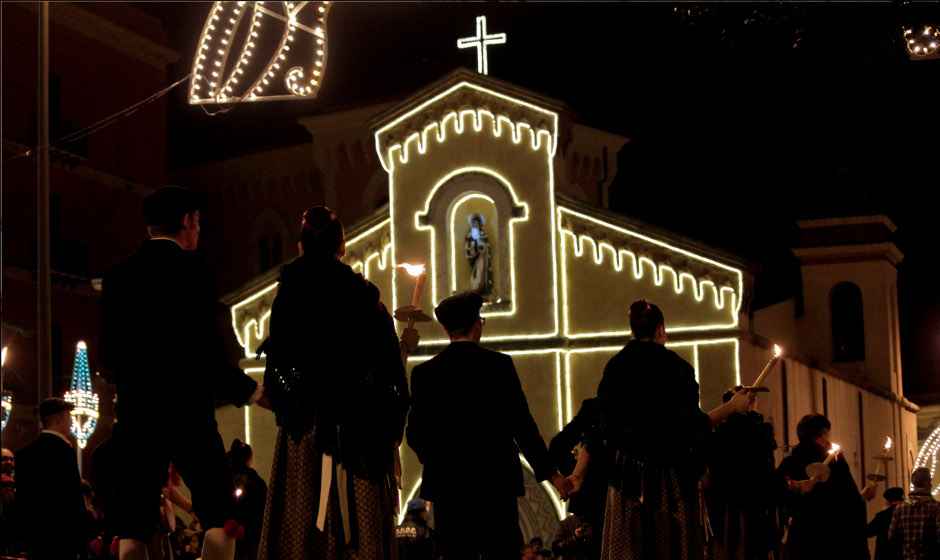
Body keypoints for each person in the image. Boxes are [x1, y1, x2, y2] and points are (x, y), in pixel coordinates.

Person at [101, 186, 266, 560]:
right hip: (188, 413)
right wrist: (252, 391)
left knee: (132, 525)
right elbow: (207, 352)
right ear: (188, 221)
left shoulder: (118, 277)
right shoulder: (194, 271)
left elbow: (109, 356)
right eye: (198, 222)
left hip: (138, 415)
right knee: (221, 516)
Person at [258, 206, 413, 559]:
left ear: (301, 246)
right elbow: (390, 374)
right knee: (361, 533)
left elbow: (278, 369)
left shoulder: (288, 298)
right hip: (359, 436)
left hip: (307, 434)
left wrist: (295, 401)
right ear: (341, 246)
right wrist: (390, 431)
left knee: (303, 532)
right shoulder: (365, 300)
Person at [406, 291, 571, 559]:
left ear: (447, 330)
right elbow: (524, 428)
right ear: (477, 325)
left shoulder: (425, 374)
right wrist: (554, 476)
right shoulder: (499, 366)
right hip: (496, 488)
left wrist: (441, 461)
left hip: (450, 491)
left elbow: (415, 434)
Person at [596, 300, 751, 560]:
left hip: (626, 481)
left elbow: (605, 426)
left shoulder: (615, 367)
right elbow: (692, 427)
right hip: (669, 480)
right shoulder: (676, 368)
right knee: (670, 548)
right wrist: (733, 407)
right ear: (660, 329)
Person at [777, 413, 871, 560]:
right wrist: (862, 498)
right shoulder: (835, 461)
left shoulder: (790, 461)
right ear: (821, 435)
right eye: (827, 434)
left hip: (801, 537)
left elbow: (777, 492)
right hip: (831, 537)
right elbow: (849, 497)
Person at [705, 386, 778, 560]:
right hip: (751, 503)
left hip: (725, 504)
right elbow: (766, 469)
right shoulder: (759, 431)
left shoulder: (718, 434)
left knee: (730, 547)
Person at [15, 397, 87, 559]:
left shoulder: (24, 454)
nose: (71, 422)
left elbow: (23, 499)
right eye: (69, 417)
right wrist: (82, 535)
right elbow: (72, 497)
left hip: (35, 537)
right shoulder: (64, 451)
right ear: (59, 419)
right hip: (62, 536)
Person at [549, 398, 607, 559]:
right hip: (601, 520)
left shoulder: (584, 465)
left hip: (597, 520)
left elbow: (557, 447)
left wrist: (582, 421)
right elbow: (557, 447)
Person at [888, 467, 940, 560]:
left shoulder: (900, 508)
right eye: (930, 480)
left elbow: (891, 537)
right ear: (927, 483)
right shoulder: (936, 507)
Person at [228, 439, 267, 560]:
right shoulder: (257, 482)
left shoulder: (224, 478)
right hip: (251, 536)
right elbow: (263, 510)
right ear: (249, 459)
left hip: (227, 532)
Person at [868, 487, 904, 560]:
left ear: (888, 501)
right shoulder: (907, 512)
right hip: (902, 554)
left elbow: (868, 532)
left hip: (885, 554)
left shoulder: (882, 515)